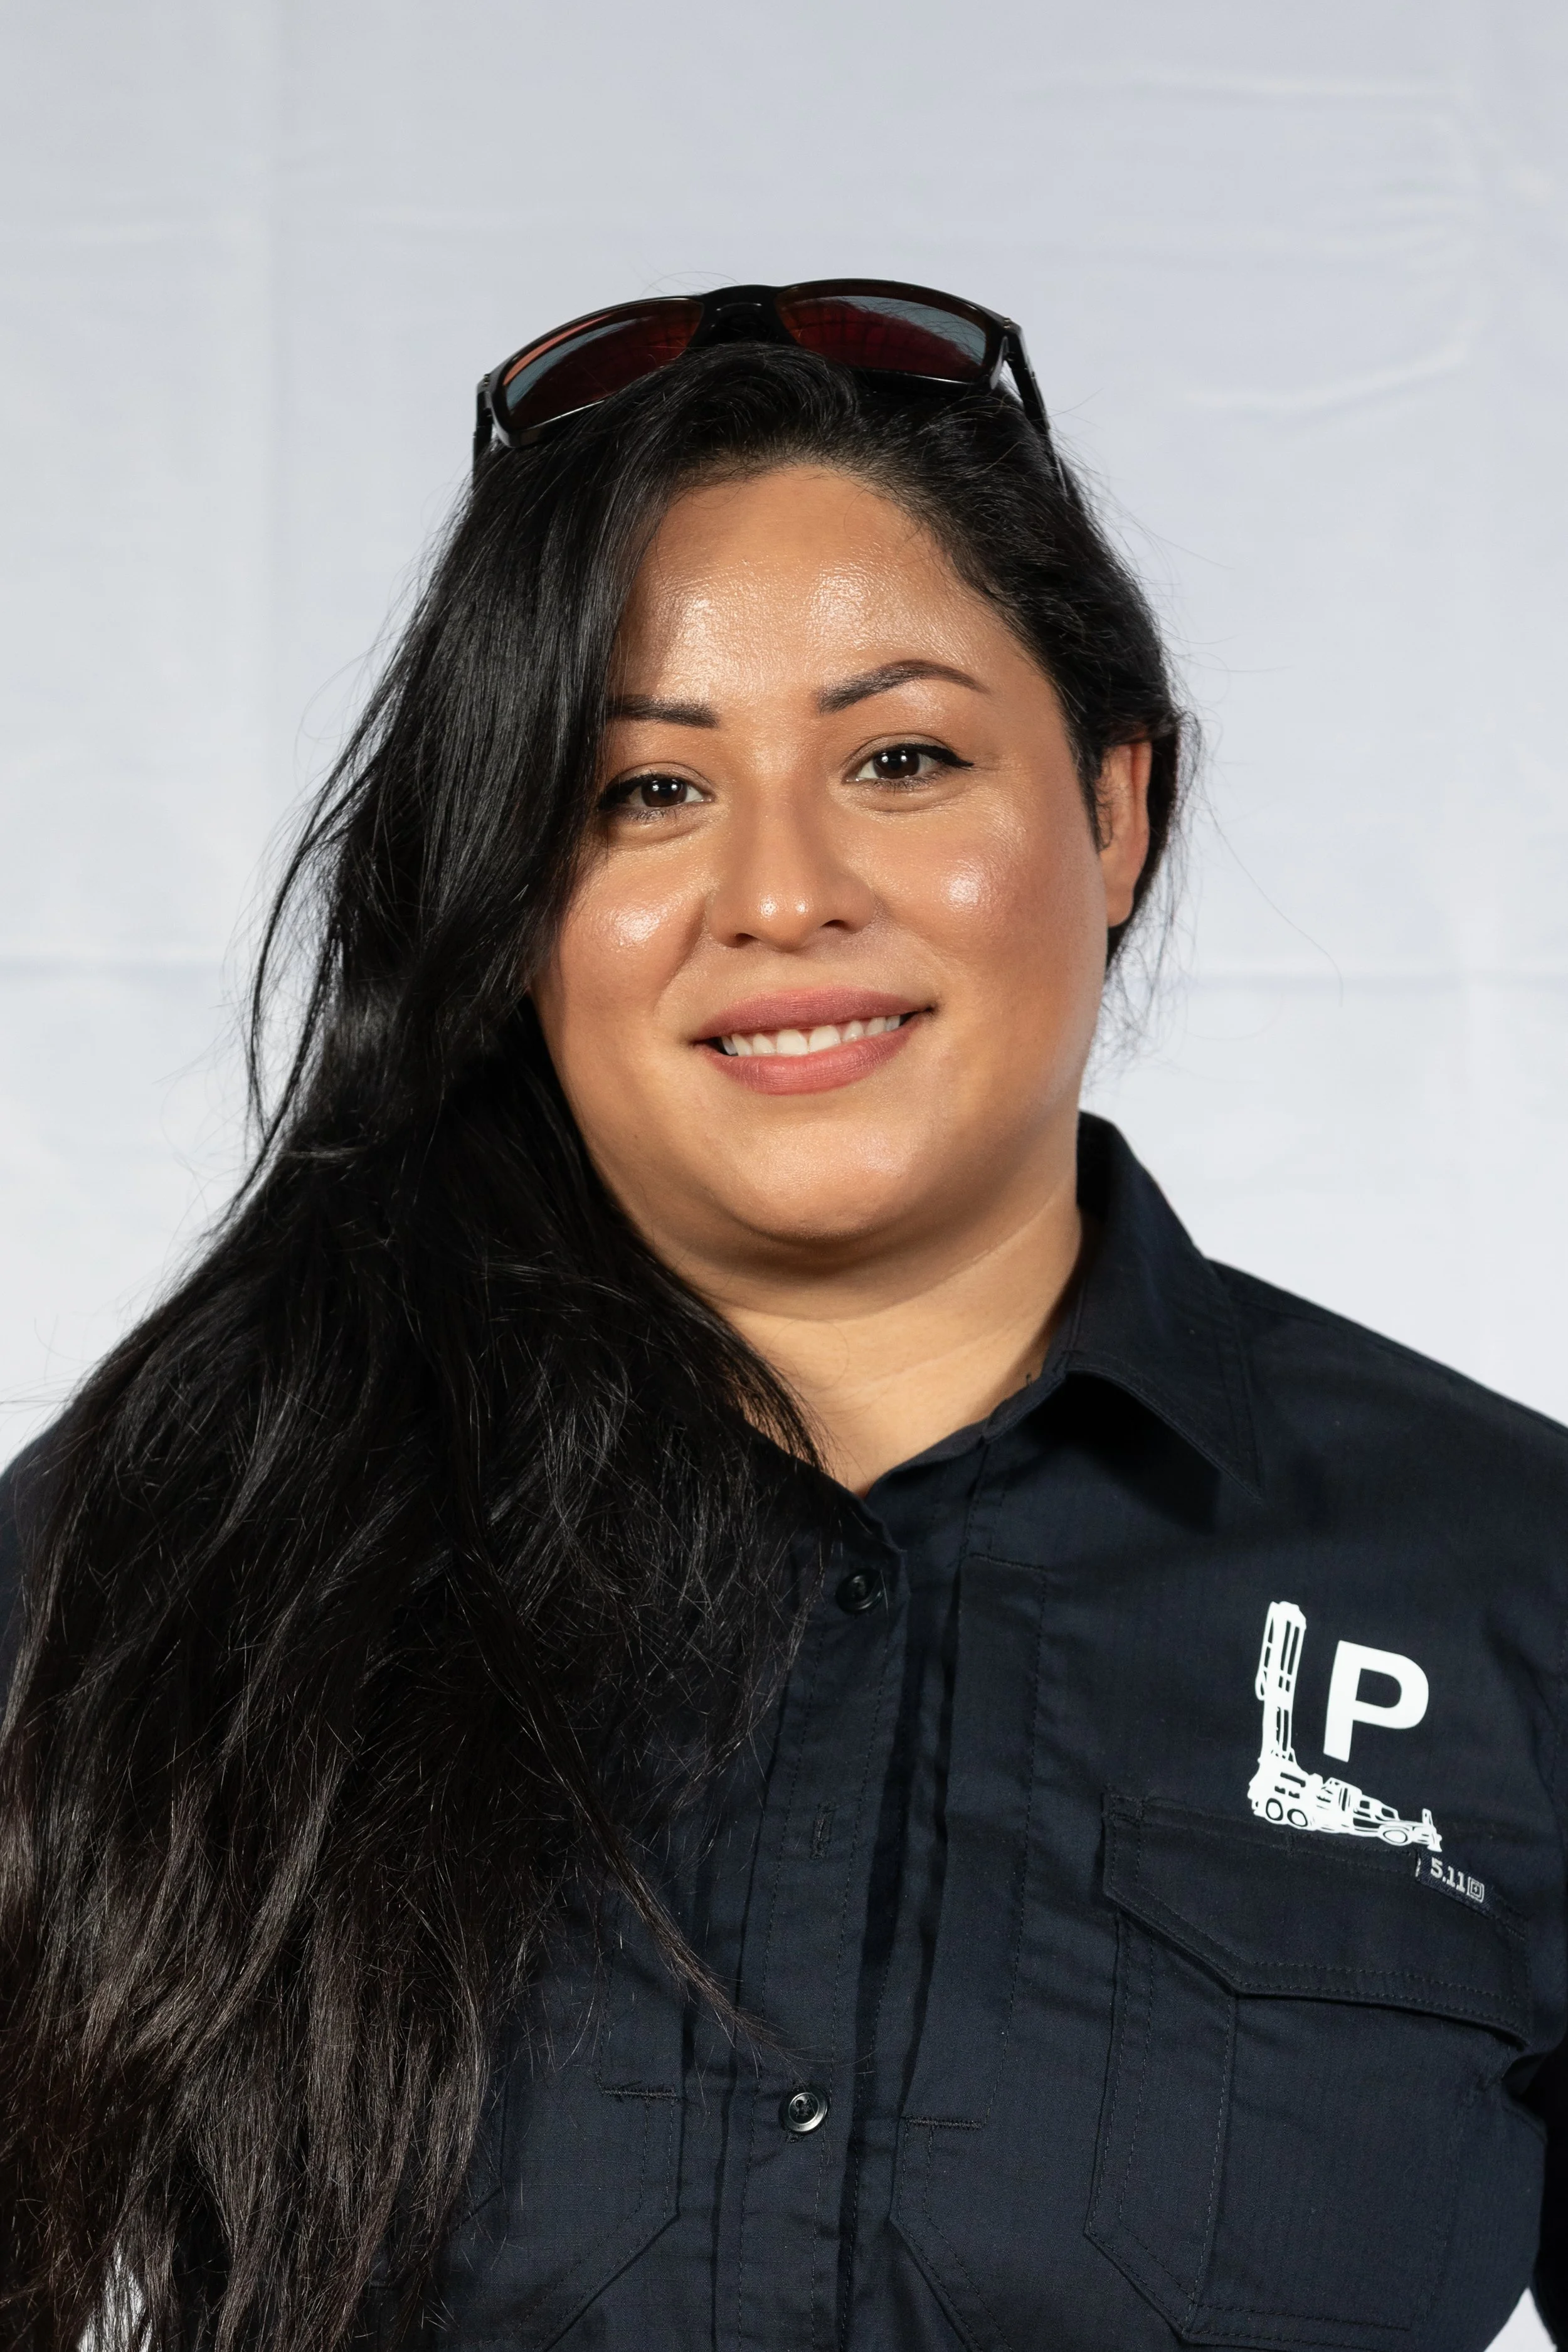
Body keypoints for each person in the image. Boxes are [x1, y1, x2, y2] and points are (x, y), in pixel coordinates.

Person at [0, 280, 1562, 2352]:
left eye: (899, 757)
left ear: (1112, 808)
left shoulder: (1504, 1579)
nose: (778, 890)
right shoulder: (145, 1552)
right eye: (640, 792)